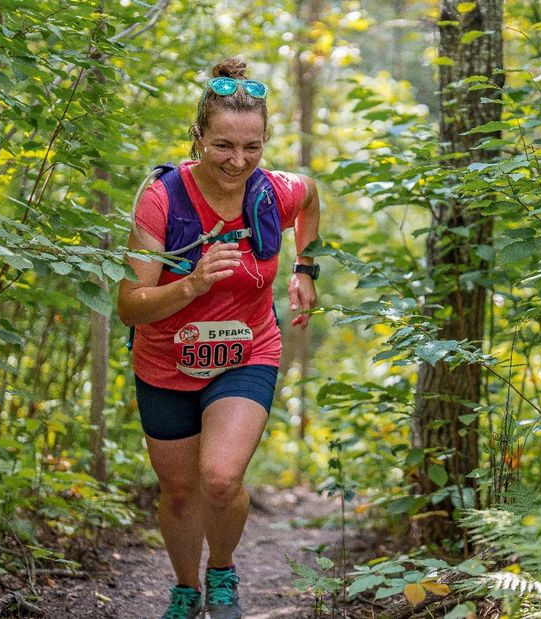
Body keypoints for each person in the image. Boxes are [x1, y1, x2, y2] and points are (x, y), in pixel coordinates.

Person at [117, 57, 321, 619]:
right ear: (198, 137)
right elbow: (129, 306)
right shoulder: (162, 199)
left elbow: (310, 197)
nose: (238, 161)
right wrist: (192, 283)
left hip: (248, 351)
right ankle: (185, 588)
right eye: (223, 146)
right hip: (164, 359)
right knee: (179, 491)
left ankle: (223, 571)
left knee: (221, 479)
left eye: (252, 147)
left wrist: (306, 267)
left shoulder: (274, 192)